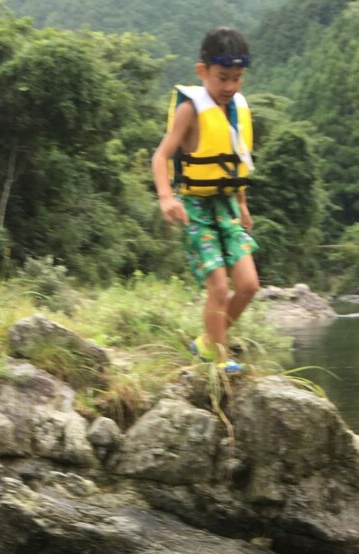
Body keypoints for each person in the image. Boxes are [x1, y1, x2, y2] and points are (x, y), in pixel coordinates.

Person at [150, 27, 260, 374]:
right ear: (203, 71)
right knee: (218, 285)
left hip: (226, 205)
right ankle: (221, 359)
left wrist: (242, 205)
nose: (230, 87)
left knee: (248, 285)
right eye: (222, 77)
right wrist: (166, 197)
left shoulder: (237, 107)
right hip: (196, 207)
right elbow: (160, 156)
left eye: (237, 78)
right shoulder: (191, 110)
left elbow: (235, 160)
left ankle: (207, 341)